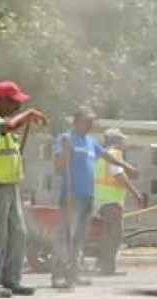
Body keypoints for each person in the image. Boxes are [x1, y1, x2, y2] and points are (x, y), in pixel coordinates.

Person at [0, 80, 49, 298]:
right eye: (15, 102)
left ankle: (11, 280)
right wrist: (28, 115)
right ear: (3, 100)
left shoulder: (1, 120)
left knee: (19, 233)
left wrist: (22, 120)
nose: (18, 107)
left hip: (10, 184)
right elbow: (6, 128)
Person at [53, 106, 136, 289]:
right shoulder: (65, 138)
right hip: (71, 195)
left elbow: (106, 156)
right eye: (87, 121)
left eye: (92, 121)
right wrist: (65, 153)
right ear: (76, 122)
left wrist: (127, 166)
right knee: (66, 236)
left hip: (87, 196)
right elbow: (58, 166)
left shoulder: (91, 142)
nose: (91, 124)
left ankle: (74, 274)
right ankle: (58, 275)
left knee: (80, 238)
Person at [93, 128, 143, 275]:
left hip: (100, 200)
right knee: (113, 235)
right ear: (118, 142)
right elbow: (119, 175)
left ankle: (103, 264)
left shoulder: (101, 155)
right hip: (110, 201)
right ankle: (107, 268)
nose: (124, 144)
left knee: (107, 234)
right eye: (122, 141)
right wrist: (136, 194)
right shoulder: (115, 154)